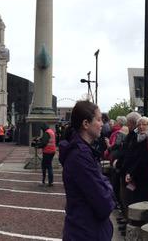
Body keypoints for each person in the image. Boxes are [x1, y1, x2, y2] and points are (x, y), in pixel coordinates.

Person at [60, 100, 116, 241]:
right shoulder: (80, 156)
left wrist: (105, 186)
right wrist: (108, 188)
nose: (102, 124)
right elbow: (104, 203)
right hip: (86, 231)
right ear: (86, 124)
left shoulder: (83, 152)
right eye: (98, 119)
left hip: (85, 228)